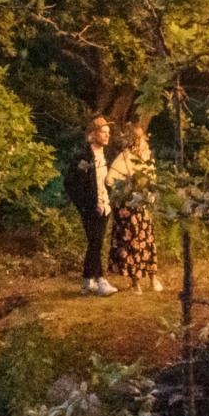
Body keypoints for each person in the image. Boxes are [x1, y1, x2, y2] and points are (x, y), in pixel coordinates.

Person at [63, 116, 117, 295]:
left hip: (105, 207)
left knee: (96, 243)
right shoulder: (83, 156)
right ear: (93, 134)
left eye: (108, 133)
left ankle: (87, 280)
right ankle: (100, 280)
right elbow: (70, 183)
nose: (107, 136)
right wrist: (83, 205)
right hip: (90, 208)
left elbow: (108, 181)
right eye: (104, 132)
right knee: (95, 242)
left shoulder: (107, 155)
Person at [107, 120, 161, 293]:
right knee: (133, 243)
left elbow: (153, 180)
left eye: (143, 138)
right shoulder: (125, 157)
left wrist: (150, 196)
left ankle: (152, 279)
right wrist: (126, 185)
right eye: (140, 139)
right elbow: (110, 178)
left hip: (143, 206)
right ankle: (136, 282)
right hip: (129, 207)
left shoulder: (147, 158)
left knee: (147, 242)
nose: (143, 141)